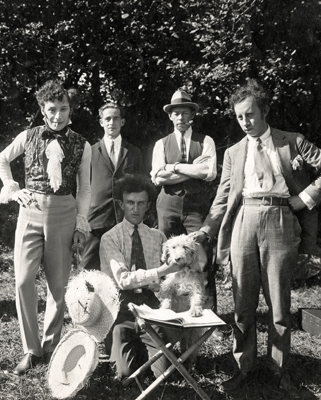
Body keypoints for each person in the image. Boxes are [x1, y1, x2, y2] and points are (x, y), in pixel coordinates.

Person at [190, 79, 321, 396]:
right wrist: (207, 228)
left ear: (265, 111)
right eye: (239, 117)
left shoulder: (292, 143)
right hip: (244, 222)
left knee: (278, 305)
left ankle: (277, 370)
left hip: (280, 221)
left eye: (250, 115)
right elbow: (223, 198)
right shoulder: (234, 152)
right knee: (242, 304)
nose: (245, 122)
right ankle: (242, 369)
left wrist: (304, 199)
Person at [0, 80, 91, 376]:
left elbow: (84, 188)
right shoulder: (28, 135)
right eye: (52, 109)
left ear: (70, 110)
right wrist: (13, 190)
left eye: (63, 109)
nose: (58, 116)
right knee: (23, 280)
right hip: (30, 210)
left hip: (64, 213)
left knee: (57, 286)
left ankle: (49, 348)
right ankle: (30, 348)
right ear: (42, 109)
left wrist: (80, 223)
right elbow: (1, 159)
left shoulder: (82, 144)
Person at [100, 175, 180, 379]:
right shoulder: (110, 238)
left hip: (150, 307)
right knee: (125, 374)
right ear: (121, 205)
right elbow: (123, 280)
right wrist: (163, 271)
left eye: (140, 203)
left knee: (164, 374)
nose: (135, 209)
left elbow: (165, 282)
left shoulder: (158, 237)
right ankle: (123, 346)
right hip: (121, 308)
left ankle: (147, 348)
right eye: (130, 203)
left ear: (148, 206)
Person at [150, 89, 218, 311]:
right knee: (167, 257)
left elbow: (209, 172)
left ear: (192, 115)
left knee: (203, 259)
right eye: (176, 113)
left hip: (196, 207)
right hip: (167, 205)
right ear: (170, 116)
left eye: (185, 113)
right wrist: (193, 169)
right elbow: (157, 176)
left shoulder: (206, 141)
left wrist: (175, 167)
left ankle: (206, 314)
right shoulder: (161, 144)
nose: (180, 118)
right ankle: (168, 309)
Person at [80, 103, 144, 270]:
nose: (111, 122)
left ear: (122, 122)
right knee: (88, 269)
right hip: (96, 219)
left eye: (116, 118)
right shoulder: (89, 152)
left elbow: (142, 187)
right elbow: (81, 187)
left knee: (126, 269)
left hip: (126, 219)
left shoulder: (134, 152)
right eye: (107, 119)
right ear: (101, 122)